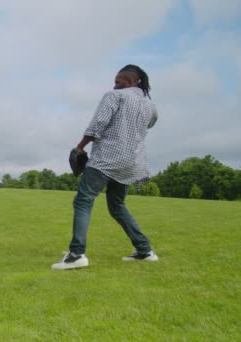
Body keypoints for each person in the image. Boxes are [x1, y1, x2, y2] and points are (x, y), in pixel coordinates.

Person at [52, 64, 159, 270]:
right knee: (117, 206)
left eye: (119, 81)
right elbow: (150, 124)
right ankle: (145, 251)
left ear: (130, 82)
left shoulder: (114, 96)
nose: (115, 85)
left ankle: (76, 255)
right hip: (132, 162)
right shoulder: (150, 106)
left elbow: (98, 124)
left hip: (107, 158)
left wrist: (80, 147)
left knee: (83, 200)